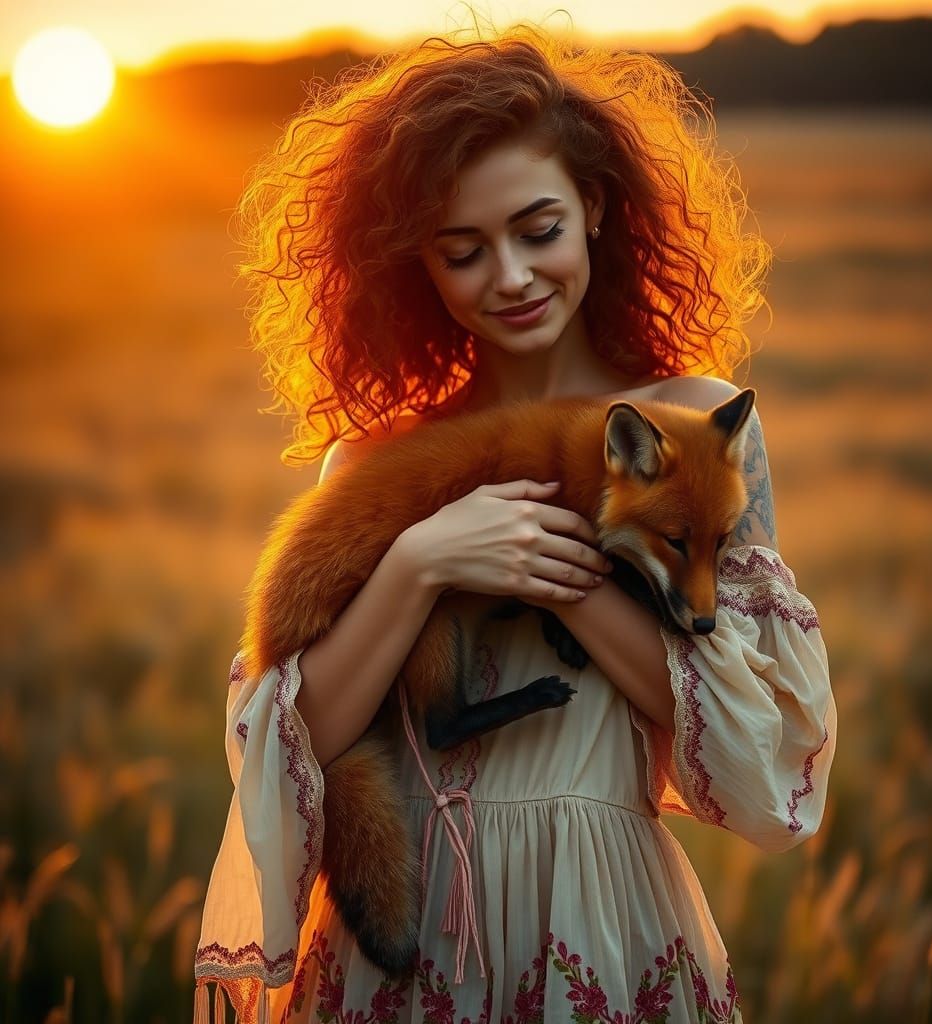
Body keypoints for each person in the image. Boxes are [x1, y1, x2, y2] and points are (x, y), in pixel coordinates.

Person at [193, 22, 837, 1024]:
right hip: (398, 953)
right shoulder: (378, 462)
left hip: (592, 910)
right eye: (462, 251)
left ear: (592, 208)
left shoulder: (694, 426)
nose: (509, 277)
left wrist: (554, 565)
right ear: (420, 264)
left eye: (537, 231)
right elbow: (305, 747)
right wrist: (419, 562)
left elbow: (749, 750)